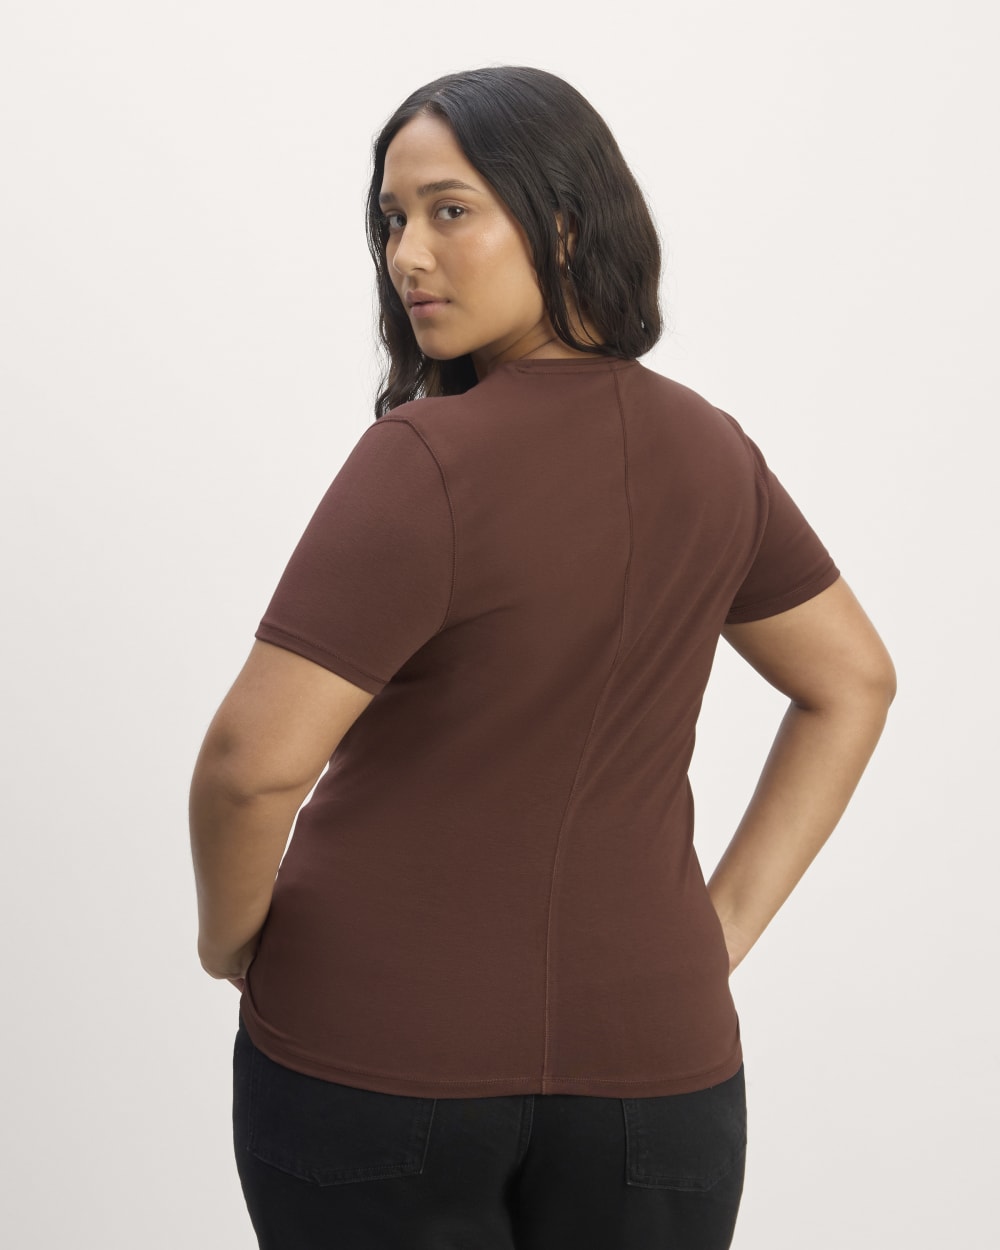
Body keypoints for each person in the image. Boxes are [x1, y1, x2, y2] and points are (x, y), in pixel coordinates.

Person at [189, 65, 896, 1250]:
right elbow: (853, 680)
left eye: (449, 210)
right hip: (657, 1075)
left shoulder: (424, 458)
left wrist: (227, 937)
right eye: (391, 218)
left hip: (375, 1054)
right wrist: (713, 932)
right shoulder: (712, 451)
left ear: (563, 224)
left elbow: (248, 764)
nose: (407, 254)